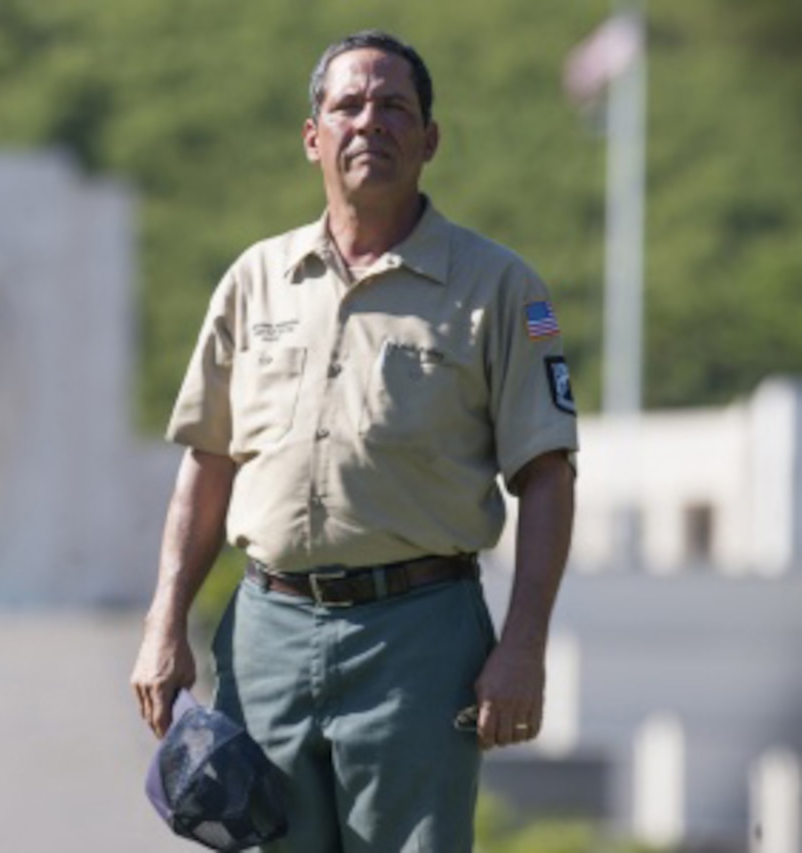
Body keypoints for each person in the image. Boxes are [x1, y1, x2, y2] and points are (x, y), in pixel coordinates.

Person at [130, 29, 578, 852]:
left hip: (418, 638)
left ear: (430, 139)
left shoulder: (499, 287)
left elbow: (547, 475)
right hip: (266, 633)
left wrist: (523, 647)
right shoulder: (254, 279)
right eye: (348, 105)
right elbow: (207, 462)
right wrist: (166, 620)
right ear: (313, 137)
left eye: (394, 107)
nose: (369, 121)